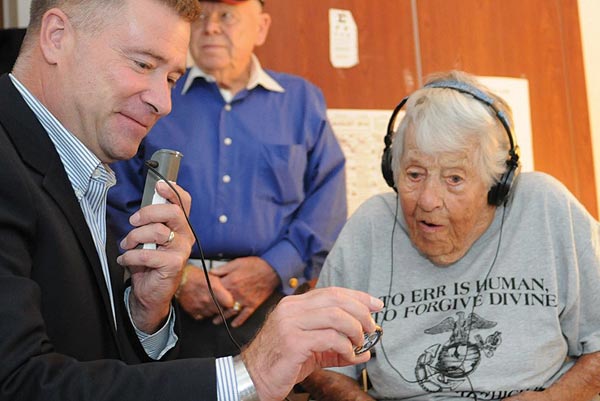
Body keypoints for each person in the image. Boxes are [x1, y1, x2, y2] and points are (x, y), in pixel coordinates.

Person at [0, 0, 383, 400]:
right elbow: (18, 384)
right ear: (57, 37)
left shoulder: (83, 165)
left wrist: (144, 313)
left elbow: (88, 360)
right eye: (143, 64)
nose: (164, 104)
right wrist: (250, 375)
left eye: (171, 77)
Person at [301, 70, 600, 401]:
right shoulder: (370, 227)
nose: (428, 200)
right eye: (414, 174)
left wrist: (552, 400)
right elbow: (321, 364)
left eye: (454, 178)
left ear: (497, 184)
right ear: (392, 171)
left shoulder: (546, 208)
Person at [107, 0, 348, 356]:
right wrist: (179, 277)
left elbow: (326, 202)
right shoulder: (155, 97)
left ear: (262, 27)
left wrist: (272, 268)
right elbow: (116, 196)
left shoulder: (301, 101)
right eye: (201, 16)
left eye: (227, 16)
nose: (212, 27)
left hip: (275, 308)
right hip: (163, 305)